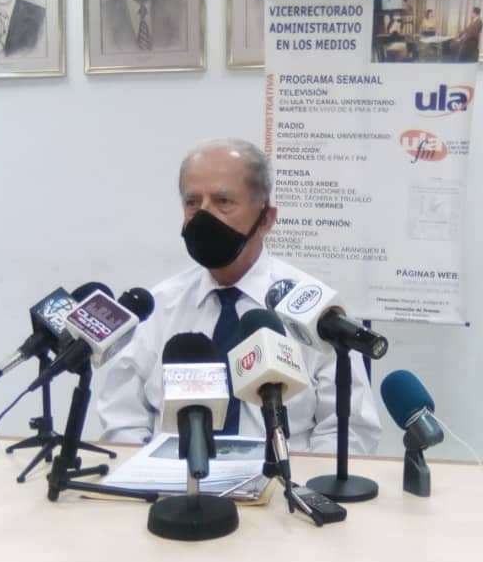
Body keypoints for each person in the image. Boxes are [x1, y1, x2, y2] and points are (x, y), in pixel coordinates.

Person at [98, 139, 381, 455]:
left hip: (285, 479)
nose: (204, 216)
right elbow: (123, 420)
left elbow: (349, 430)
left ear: (266, 218)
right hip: (172, 481)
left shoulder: (314, 311)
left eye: (223, 201)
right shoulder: (159, 307)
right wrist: (146, 475)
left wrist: (302, 480)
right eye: (192, 202)